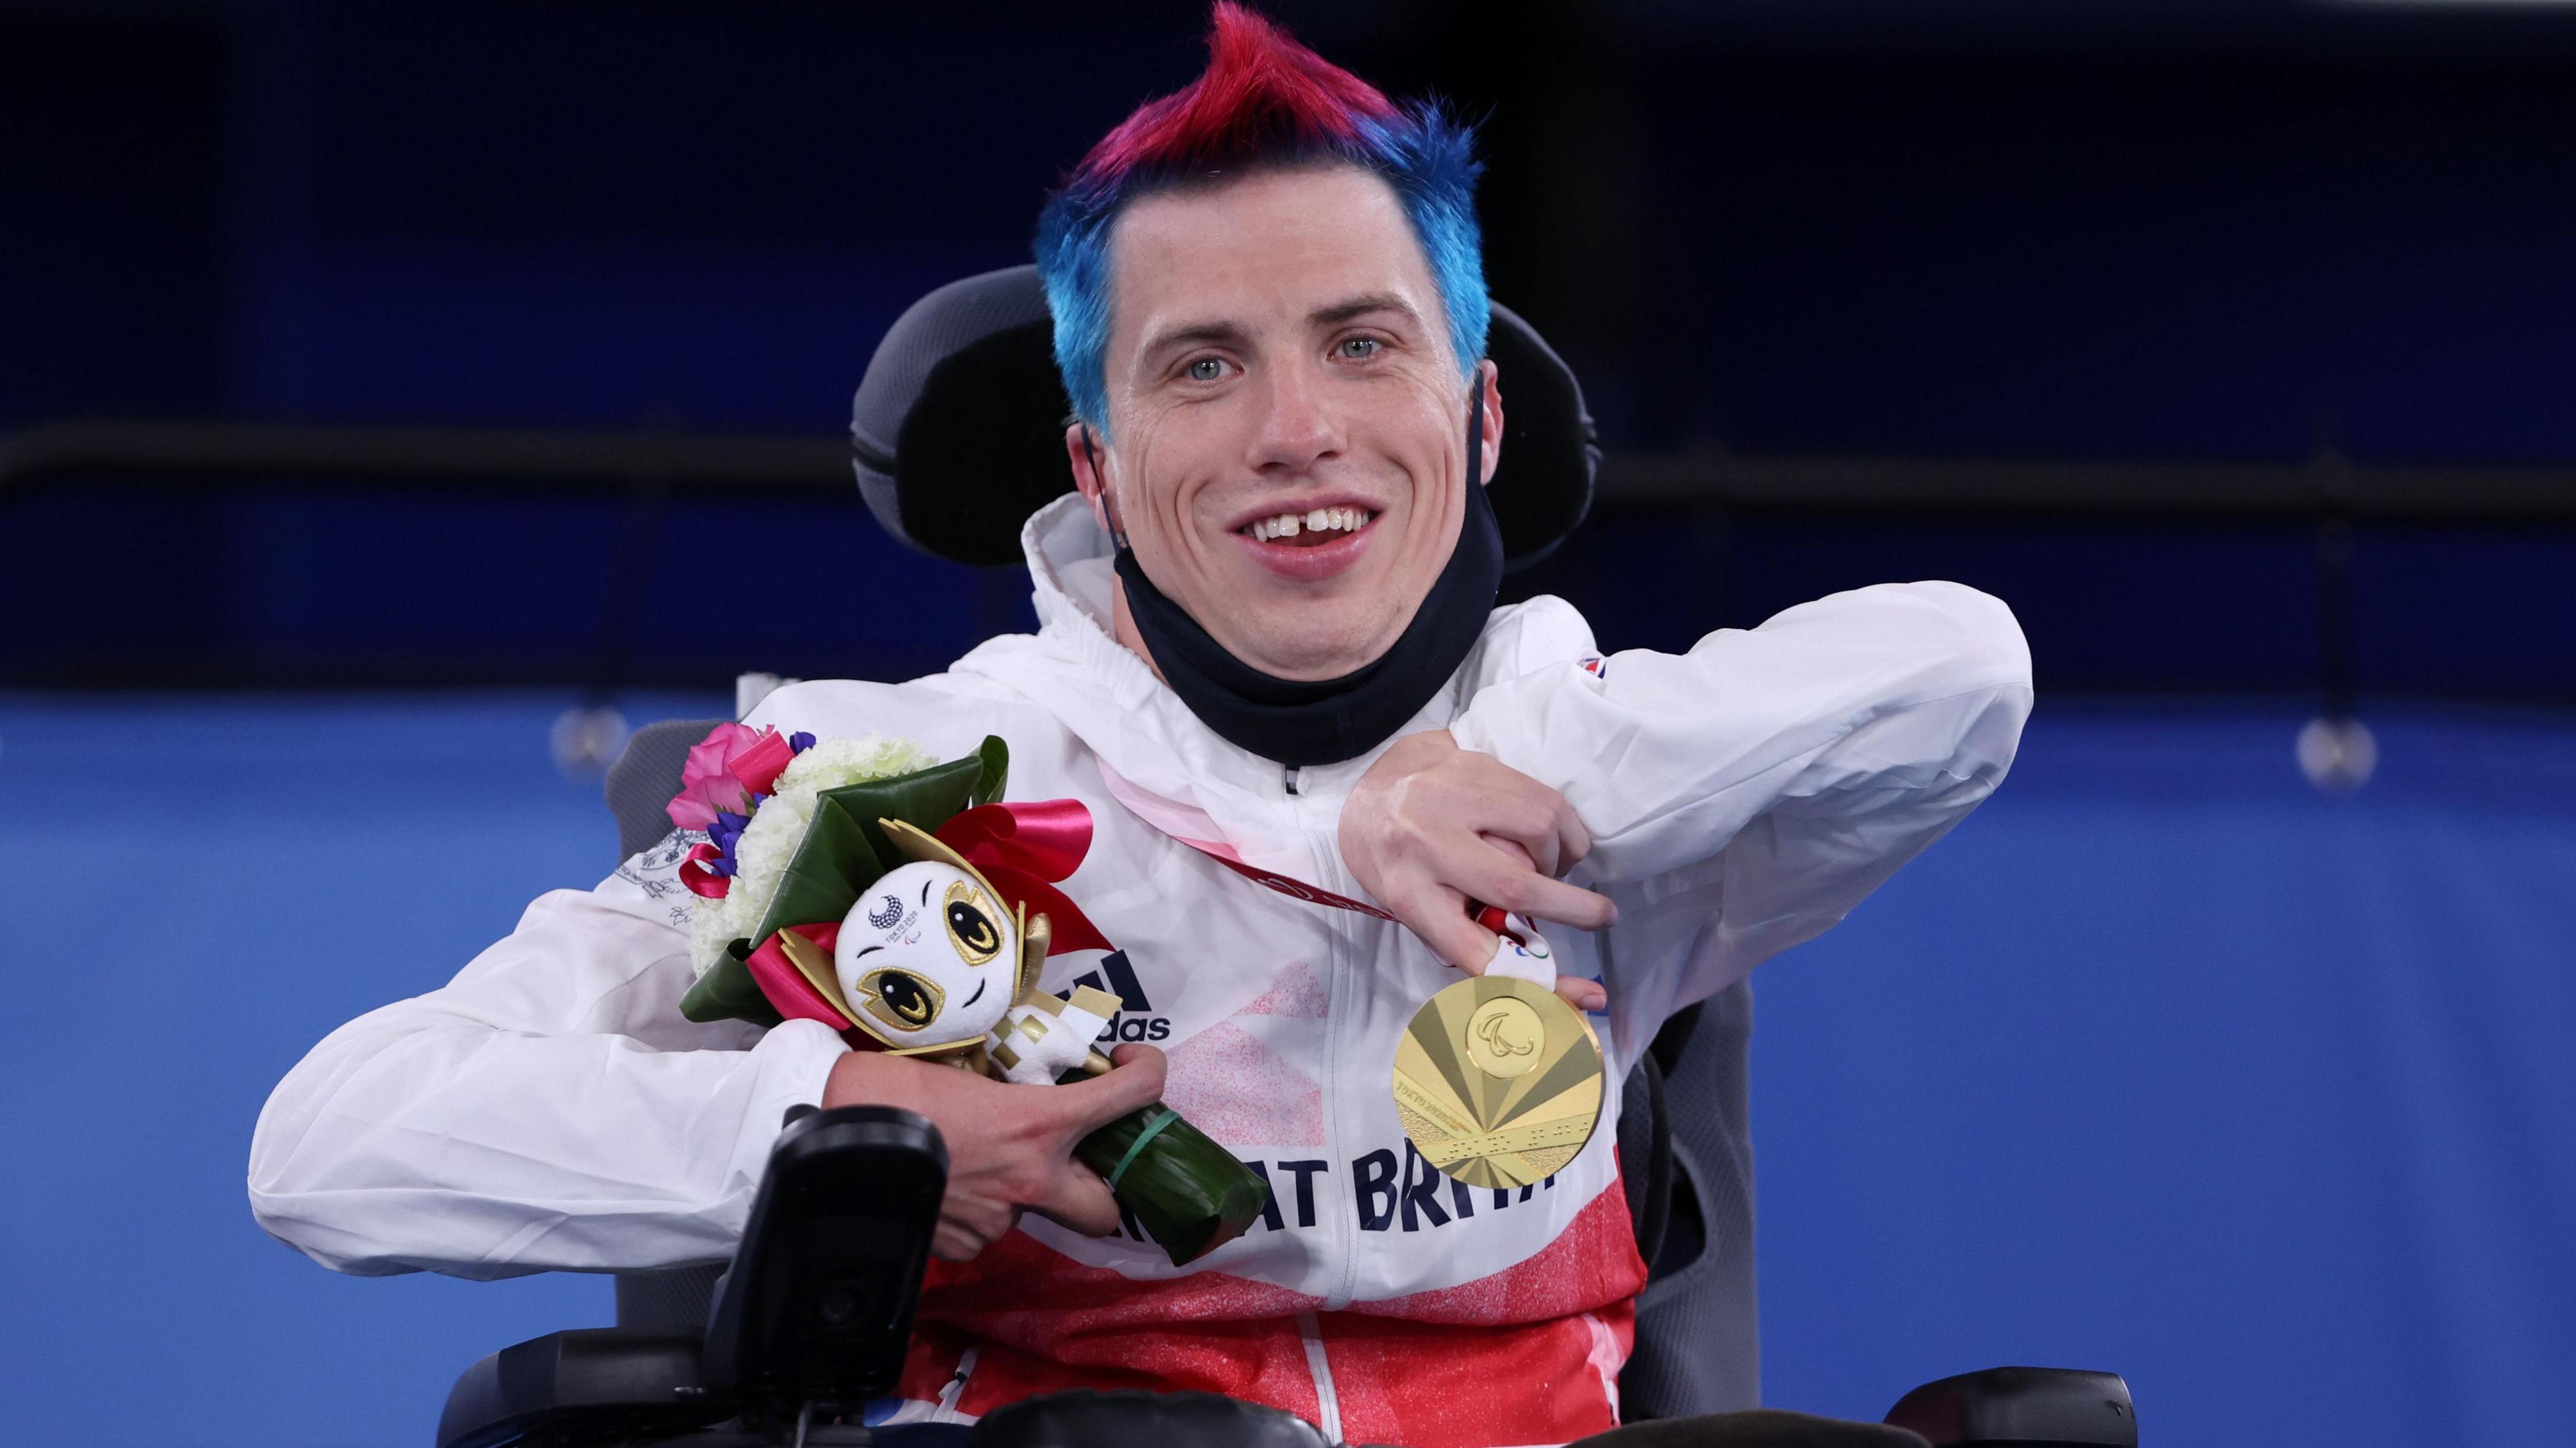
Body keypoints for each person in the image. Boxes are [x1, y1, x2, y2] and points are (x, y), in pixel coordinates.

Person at [248, 7, 2029, 1446]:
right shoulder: (894, 808)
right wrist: (838, 1115)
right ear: (1095, 466)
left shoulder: (1604, 761)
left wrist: (1503, 787)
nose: (1294, 429)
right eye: (1204, 365)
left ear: (1479, 416)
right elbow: (329, 1144)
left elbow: (1965, 669)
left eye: (1360, 345)